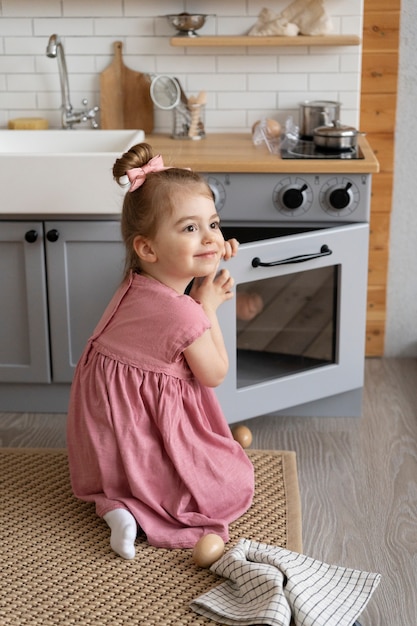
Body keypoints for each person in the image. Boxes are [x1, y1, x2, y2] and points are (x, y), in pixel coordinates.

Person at [67, 142, 254, 560]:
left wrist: (203, 250)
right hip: (140, 425)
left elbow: (192, 255)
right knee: (229, 481)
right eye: (190, 228)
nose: (210, 237)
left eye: (215, 224)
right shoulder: (184, 315)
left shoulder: (136, 284)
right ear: (148, 249)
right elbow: (214, 373)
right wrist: (208, 307)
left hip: (104, 429)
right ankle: (139, 507)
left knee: (147, 474)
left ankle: (117, 504)